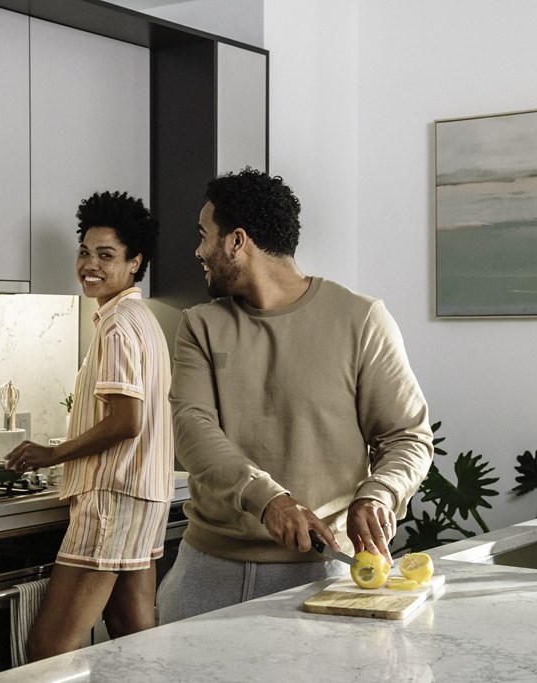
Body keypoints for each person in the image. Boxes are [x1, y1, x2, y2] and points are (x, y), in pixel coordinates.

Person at [156, 168, 433, 624]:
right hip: (205, 575)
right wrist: (270, 500)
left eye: (204, 236)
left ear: (236, 241)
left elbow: (408, 436)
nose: (198, 251)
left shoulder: (361, 320)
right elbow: (192, 429)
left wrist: (380, 493)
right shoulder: (200, 325)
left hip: (324, 575)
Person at [5, 191, 174, 660]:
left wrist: (53, 453)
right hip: (144, 496)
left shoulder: (118, 326)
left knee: (48, 651)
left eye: (106, 255)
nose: (89, 264)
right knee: (133, 634)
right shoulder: (143, 320)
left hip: (113, 497)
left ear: (134, 262)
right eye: (85, 251)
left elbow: (127, 421)